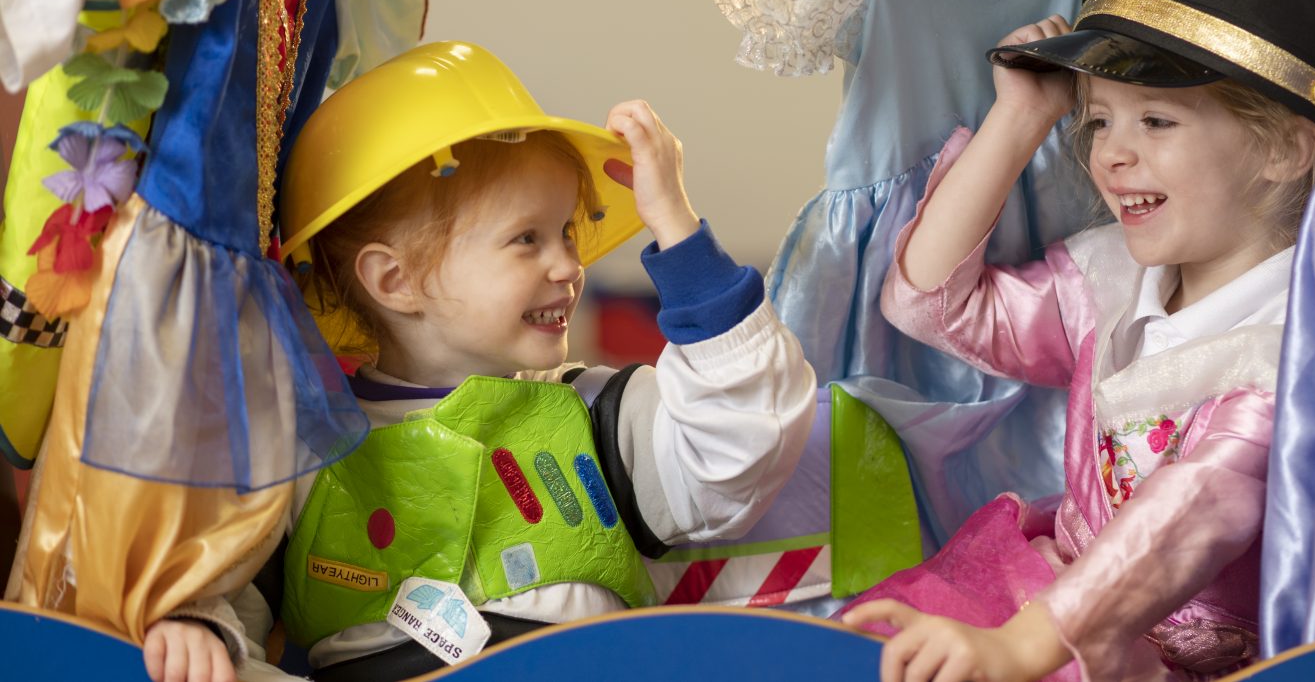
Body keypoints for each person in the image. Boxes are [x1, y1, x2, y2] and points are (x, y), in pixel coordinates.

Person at [142, 40, 816, 682]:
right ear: (393, 281)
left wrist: (677, 229)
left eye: (568, 234)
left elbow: (744, 439)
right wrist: (197, 628)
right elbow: (215, 582)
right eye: (527, 239)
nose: (569, 265)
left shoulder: (599, 417)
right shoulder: (300, 457)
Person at [840, 0, 1315, 682]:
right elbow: (926, 302)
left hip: (1131, 658)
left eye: (1158, 122)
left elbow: (1190, 510)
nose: (1111, 155)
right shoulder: (1109, 287)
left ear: (1286, 147)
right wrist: (1021, 118)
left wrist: (1024, 646)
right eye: (1099, 119)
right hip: (1035, 596)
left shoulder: (1283, 352)